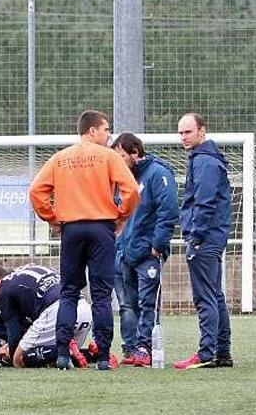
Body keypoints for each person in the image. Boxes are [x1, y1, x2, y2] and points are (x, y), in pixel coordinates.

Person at [28, 109, 139, 370]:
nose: (108, 134)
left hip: (71, 230)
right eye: (106, 129)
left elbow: (36, 191)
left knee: (69, 293)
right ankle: (102, 357)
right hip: (102, 228)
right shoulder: (109, 157)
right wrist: (121, 216)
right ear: (92, 131)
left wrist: (52, 218)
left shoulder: (60, 158)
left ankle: (63, 355)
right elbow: (131, 190)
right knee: (101, 295)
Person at [111, 133, 179, 367]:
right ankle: (130, 349)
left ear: (135, 153)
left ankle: (145, 348)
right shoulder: (120, 179)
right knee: (126, 305)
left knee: (147, 302)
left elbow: (168, 211)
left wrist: (157, 246)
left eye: (120, 156)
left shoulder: (158, 173)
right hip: (124, 252)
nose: (117, 161)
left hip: (147, 252)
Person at [174, 113, 233, 369]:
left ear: (202, 131)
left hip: (205, 238)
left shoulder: (205, 163)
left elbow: (204, 202)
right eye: (181, 133)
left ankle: (207, 352)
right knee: (215, 295)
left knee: (205, 296)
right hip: (212, 236)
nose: (183, 137)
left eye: (188, 132)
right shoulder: (204, 159)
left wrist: (195, 235)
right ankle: (222, 352)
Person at [0, 264, 93, 368]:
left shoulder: (4, 288)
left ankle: (65, 350)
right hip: (84, 308)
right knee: (51, 356)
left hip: (57, 310)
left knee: (19, 360)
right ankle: (94, 354)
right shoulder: (28, 269)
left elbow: (13, 332)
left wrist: (12, 356)